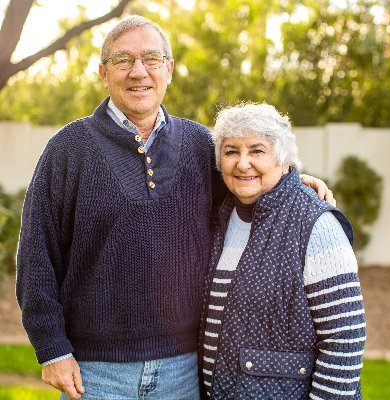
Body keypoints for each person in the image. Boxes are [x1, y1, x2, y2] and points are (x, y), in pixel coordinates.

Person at [16, 16, 334, 400]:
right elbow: (36, 258)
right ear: (103, 72)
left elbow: (246, 185)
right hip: (96, 373)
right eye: (123, 61)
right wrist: (52, 349)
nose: (139, 72)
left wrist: (292, 182)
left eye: (151, 59)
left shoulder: (201, 144)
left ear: (168, 69)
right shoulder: (68, 149)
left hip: (185, 368)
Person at [200, 103, 365, 399]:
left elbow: (345, 339)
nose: (243, 163)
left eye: (257, 150)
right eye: (231, 151)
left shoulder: (316, 224)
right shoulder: (220, 216)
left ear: (284, 160)